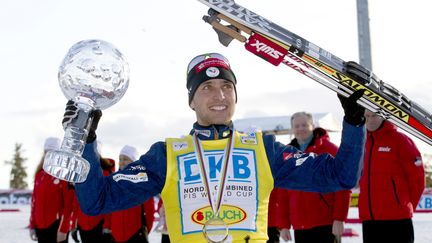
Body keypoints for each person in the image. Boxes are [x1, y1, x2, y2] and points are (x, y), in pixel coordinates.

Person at [63, 53, 366, 242]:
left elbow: (341, 176)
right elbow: (96, 201)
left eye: (226, 87)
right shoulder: (166, 155)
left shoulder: (265, 149)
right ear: (191, 100)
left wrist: (354, 120)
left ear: (235, 95)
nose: (219, 95)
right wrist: (86, 143)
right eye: (206, 88)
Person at [267, 112, 351, 243]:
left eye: (304, 125)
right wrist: (283, 225)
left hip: (326, 223)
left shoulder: (330, 149)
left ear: (312, 125)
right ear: (292, 129)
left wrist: (339, 218)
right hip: (300, 225)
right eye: (297, 126)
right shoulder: (287, 153)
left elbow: (343, 186)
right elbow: (282, 192)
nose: (301, 129)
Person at [359, 110, 425, 243]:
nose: (370, 120)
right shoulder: (362, 142)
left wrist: (404, 206)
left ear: (383, 116)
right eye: (367, 116)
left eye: (374, 116)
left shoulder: (401, 140)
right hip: (370, 220)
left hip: (397, 220)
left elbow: (417, 179)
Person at [29, 137, 73, 243]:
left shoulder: (64, 175)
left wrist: (63, 229)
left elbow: (69, 206)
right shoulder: (39, 175)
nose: (48, 155)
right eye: (46, 152)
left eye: (52, 152)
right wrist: (32, 225)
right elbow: (34, 203)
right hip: (40, 227)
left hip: (56, 227)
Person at [109, 145, 155, 243]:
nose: (121, 162)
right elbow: (109, 208)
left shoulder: (142, 180)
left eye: (125, 159)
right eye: (120, 159)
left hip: (135, 233)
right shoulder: (114, 181)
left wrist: (146, 229)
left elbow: (149, 209)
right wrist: (108, 227)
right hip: (116, 233)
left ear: (133, 161)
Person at [69, 151, 115, 243]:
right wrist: (74, 225)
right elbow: (76, 203)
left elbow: (108, 203)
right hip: (82, 226)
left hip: (99, 225)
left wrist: (107, 226)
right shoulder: (80, 175)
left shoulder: (105, 173)